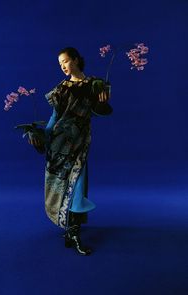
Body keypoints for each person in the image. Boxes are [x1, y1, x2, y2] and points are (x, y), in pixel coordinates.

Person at [29, 47, 112, 255]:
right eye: (60, 64)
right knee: (66, 185)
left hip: (79, 142)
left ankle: (73, 232)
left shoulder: (94, 84)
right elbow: (54, 118)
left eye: (65, 61)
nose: (63, 66)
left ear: (75, 60)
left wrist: (102, 100)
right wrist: (42, 136)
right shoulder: (61, 89)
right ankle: (72, 232)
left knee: (78, 185)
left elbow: (101, 112)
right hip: (59, 143)